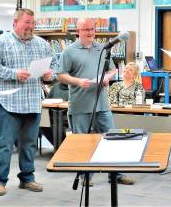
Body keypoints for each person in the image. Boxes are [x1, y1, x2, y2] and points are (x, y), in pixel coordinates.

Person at [57, 18, 134, 186]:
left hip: (102, 104)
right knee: (83, 143)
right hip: (80, 105)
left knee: (112, 138)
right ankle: (85, 176)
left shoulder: (103, 49)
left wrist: (107, 77)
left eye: (92, 29)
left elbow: (113, 69)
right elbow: (60, 75)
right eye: (86, 29)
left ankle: (117, 174)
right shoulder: (69, 51)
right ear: (78, 30)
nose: (90, 32)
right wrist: (78, 82)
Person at [0, 8, 53, 196]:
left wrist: (49, 74)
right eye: (27, 23)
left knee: (29, 143)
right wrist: (14, 74)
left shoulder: (41, 44)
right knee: (5, 143)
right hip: (8, 102)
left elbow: (52, 66)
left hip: (32, 102)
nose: (30, 27)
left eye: (32, 23)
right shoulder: (0, 42)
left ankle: (27, 178)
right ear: (15, 22)